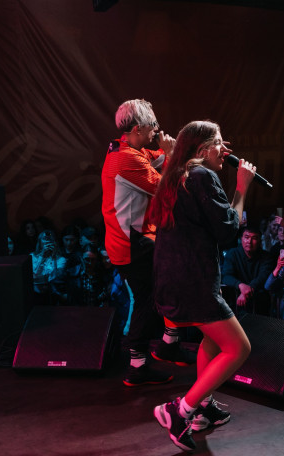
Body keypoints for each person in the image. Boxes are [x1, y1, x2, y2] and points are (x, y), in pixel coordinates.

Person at [151, 120, 256, 452]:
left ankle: (203, 408)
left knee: (212, 339)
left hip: (176, 279)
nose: (225, 150)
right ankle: (181, 410)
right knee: (238, 348)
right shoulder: (202, 177)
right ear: (203, 149)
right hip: (193, 282)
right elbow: (228, 231)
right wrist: (242, 188)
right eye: (220, 143)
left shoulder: (176, 175)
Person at [101, 99, 194, 387]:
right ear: (138, 129)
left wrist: (185, 150)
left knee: (167, 286)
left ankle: (167, 345)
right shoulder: (125, 159)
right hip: (132, 244)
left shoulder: (130, 149)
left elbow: (162, 159)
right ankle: (139, 365)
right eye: (153, 124)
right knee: (147, 301)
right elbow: (168, 188)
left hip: (137, 240)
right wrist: (172, 154)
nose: (157, 129)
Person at [221, 225, 275, 315]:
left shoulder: (266, 257)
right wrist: (240, 285)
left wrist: (247, 291)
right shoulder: (233, 253)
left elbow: (263, 277)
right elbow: (226, 276)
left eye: (254, 238)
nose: (249, 241)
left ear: (259, 240)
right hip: (236, 302)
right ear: (241, 239)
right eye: (246, 237)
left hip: (260, 303)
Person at [31, 230, 68, 305]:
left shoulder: (61, 260)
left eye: (50, 239)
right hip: (35, 294)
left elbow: (56, 278)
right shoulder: (32, 257)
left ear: (55, 242)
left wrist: (54, 257)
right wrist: (42, 256)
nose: (47, 241)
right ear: (40, 242)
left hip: (53, 295)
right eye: (45, 239)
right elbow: (34, 276)